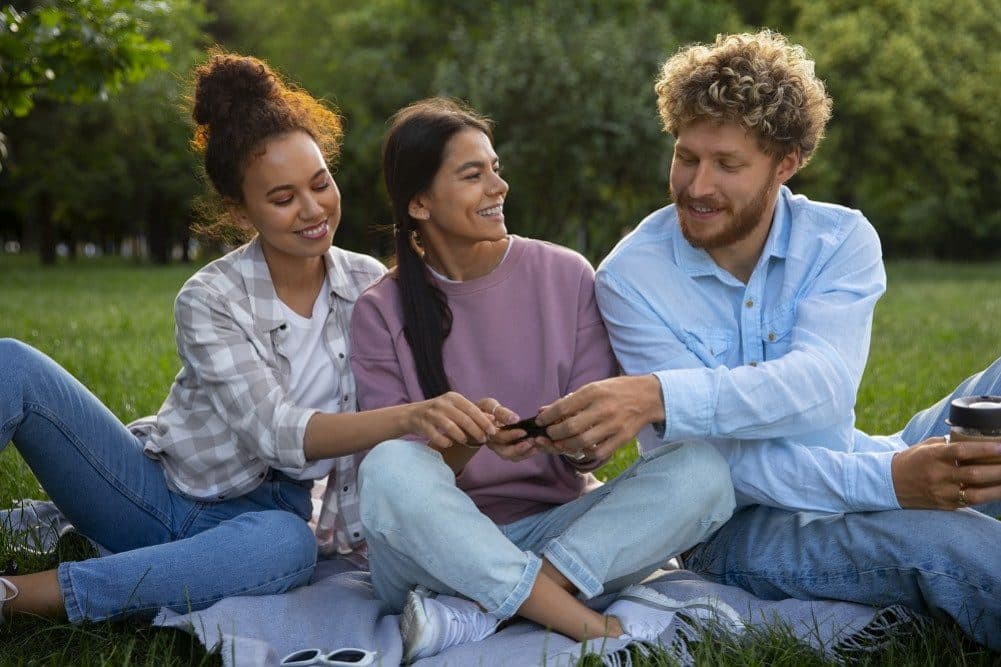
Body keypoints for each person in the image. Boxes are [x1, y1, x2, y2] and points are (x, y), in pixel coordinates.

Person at [537, 30, 1001, 650]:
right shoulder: (630, 278)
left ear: (786, 164)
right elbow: (721, 466)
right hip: (739, 528)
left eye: (728, 165)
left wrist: (660, 395)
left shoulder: (839, 240)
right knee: (967, 546)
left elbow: (822, 389)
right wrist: (891, 484)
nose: (697, 186)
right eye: (686, 156)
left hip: (857, 456)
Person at [0, 51, 499, 626]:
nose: (313, 210)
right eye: (283, 199)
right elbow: (275, 433)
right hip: (153, 493)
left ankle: (27, 593)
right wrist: (411, 417)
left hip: (265, 521)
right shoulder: (209, 298)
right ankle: (63, 581)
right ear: (242, 213)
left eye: (320, 184)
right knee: (11, 363)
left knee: (287, 549)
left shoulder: (367, 285)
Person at [350, 97, 735, 661]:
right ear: (419, 204)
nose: (498, 186)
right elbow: (398, 492)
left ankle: (485, 612)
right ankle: (585, 625)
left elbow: (590, 459)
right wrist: (467, 445)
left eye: (496, 169)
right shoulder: (379, 311)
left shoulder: (565, 275)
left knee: (704, 471)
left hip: (558, 537)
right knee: (388, 464)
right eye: (472, 174)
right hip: (428, 557)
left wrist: (573, 440)